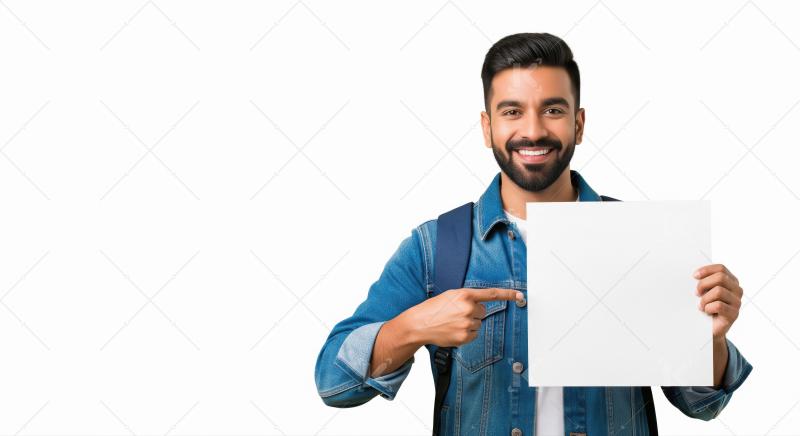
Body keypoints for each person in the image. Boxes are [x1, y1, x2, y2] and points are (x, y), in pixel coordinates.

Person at [314, 32, 752, 436]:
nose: (534, 130)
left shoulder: (644, 241)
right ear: (488, 128)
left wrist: (708, 339)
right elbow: (334, 384)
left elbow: (703, 403)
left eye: (553, 110)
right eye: (512, 112)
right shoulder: (437, 249)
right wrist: (412, 327)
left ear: (579, 124)